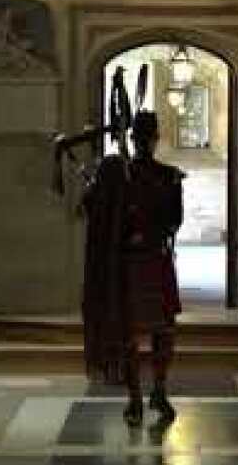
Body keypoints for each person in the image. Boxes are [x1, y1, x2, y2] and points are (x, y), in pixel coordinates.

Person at [81, 110, 184, 426]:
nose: (143, 143)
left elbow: (174, 220)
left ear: (153, 140)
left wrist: (150, 229)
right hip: (130, 262)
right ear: (134, 139)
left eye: (146, 137)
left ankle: (159, 391)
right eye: (139, 137)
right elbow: (97, 213)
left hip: (156, 258)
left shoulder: (168, 176)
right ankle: (136, 397)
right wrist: (96, 192)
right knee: (129, 334)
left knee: (163, 332)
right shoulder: (117, 175)